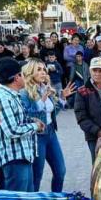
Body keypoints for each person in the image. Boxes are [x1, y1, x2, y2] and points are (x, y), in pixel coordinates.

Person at [0, 58, 43, 191]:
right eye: (22, 74)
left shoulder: (13, 95)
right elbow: (12, 130)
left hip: (23, 155)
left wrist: (32, 121)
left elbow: (18, 120)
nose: (25, 78)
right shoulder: (3, 98)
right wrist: (35, 127)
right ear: (16, 77)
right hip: (14, 159)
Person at [22, 59, 72, 192]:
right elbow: (26, 115)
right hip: (37, 136)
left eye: (44, 69)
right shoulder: (25, 92)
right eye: (39, 69)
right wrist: (43, 97)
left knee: (60, 171)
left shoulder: (45, 88)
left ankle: (56, 199)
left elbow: (52, 111)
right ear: (30, 72)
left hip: (50, 132)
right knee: (36, 176)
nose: (43, 72)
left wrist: (62, 98)